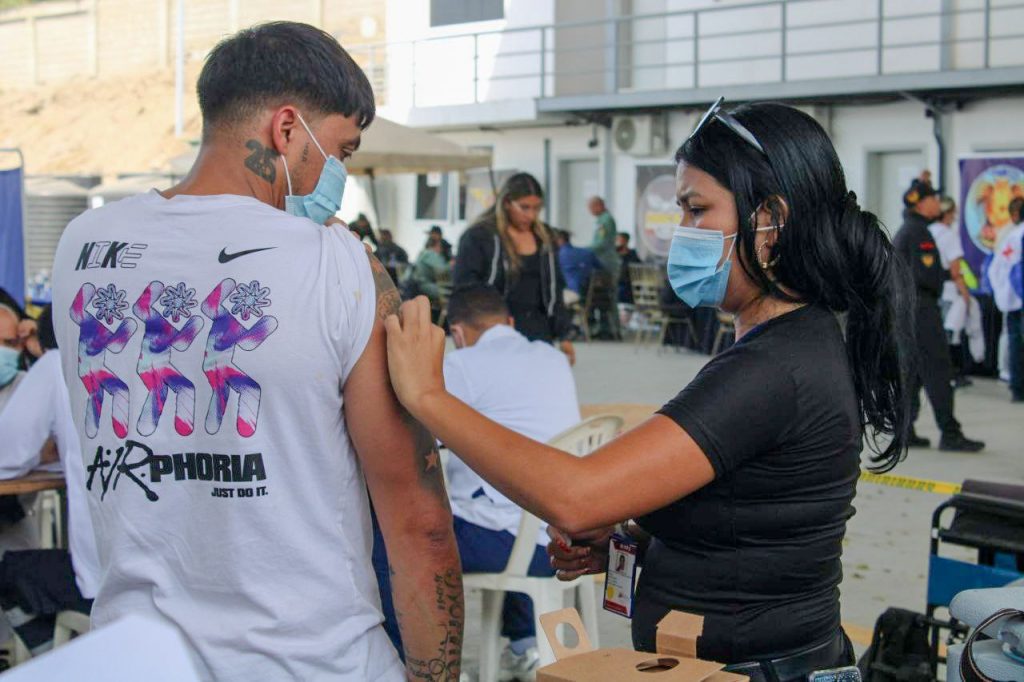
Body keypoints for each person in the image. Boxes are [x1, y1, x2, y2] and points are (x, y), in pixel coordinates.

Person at [384, 99, 916, 681]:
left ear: (770, 220)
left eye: (696, 209)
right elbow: (753, 516)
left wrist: (429, 397)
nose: (680, 233)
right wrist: (632, 542)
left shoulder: (774, 368)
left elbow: (576, 495)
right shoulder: (792, 344)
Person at [50, 22, 461, 681]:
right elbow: (419, 523)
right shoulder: (341, 267)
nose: (338, 174)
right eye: (341, 151)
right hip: (312, 664)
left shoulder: (82, 246)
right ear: (287, 129)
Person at [374, 286, 580, 678]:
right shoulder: (553, 357)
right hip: (560, 538)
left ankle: (403, 662)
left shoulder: (463, 365)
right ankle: (523, 644)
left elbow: (411, 434)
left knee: (392, 537)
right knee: (506, 505)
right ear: (510, 322)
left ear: (457, 332)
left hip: (513, 544)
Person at [0, 307, 99, 656]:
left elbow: (6, 455)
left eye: (14, 342)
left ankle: (61, 662)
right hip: (187, 586)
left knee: (9, 571)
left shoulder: (57, 364)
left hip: (104, 587)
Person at [894, 177, 985, 451]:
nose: (937, 203)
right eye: (933, 198)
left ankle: (905, 431)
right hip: (922, 309)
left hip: (906, 309)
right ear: (921, 204)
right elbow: (925, 275)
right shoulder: (919, 232)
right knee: (938, 368)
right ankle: (950, 433)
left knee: (913, 372)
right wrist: (947, 278)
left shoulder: (908, 229)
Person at [454, 172, 575, 364]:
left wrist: (564, 334)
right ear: (507, 203)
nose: (531, 215)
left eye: (537, 208)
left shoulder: (545, 238)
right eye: (524, 207)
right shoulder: (479, 237)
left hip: (538, 330)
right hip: (494, 329)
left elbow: (555, 289)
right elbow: (465, 288)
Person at [929, 197, 984, 384]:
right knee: (953, 334)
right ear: (947, 214)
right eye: (953, 213)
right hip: (951, 292)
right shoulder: (949, 236)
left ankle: (939, 373)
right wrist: (966, 295)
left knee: (938, 333)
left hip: (932, 290)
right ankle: (954, 374)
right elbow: (955, 270)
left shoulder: (927, 231)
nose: (954, 217)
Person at [988, 197, 1024, 402]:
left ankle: (1017, 387)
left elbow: (998, 267)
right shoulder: (1016, 235)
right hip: (1018, 298)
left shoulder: (1010, 235)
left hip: (1011, 299)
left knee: (1014, 342)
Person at [587, 197, 622, 339]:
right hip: (602, 263)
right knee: (601, 297)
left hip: (607, 264)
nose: (589, 211)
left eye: (591, 207)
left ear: (598, 205)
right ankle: (605, 329)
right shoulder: (602, 220)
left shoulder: (605, 220)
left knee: (610, 297)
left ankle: (614, 330)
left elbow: (602, 243)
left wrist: (584, 251)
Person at [407, 237, 451, 311]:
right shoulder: (430, 254)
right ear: (437, 245)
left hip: (416, 285)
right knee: (453, 294)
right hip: (423, 286)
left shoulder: (424, 252)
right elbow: (443, 270)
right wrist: (451, 265)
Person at [554, 229, 601, 297]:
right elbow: (601, 268)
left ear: (560, 240)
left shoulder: (558, 255)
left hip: (570, 294)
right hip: (589, 294)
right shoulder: (588, 253)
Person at [617, 232, 643, 304]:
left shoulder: (632, 255)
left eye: (618, 239)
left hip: (628, 286)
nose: (616, 242)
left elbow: (637, 270)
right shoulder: (615, 256)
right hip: (616, 284)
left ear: (625, 241)